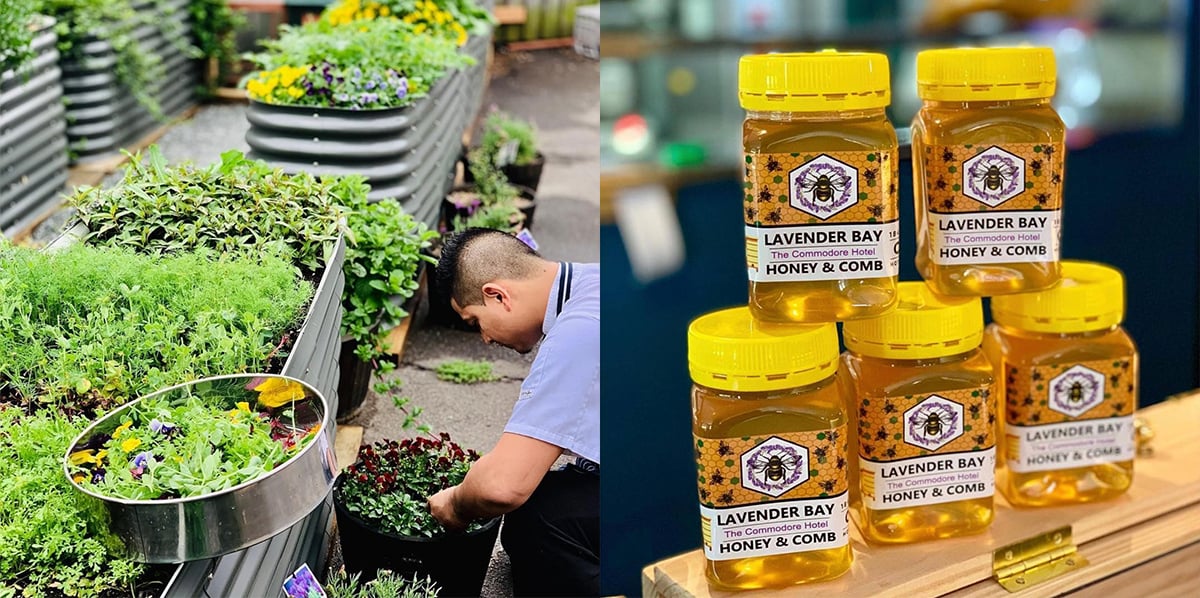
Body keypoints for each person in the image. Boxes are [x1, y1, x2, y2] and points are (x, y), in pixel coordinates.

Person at [427, 228, 600, 597]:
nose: (485, 339)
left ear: (498, 296)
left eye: (475, 322)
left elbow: (502, 487)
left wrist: (456, 504)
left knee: (537, 521)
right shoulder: (594, 282)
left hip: (688, 495)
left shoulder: (578, 333)